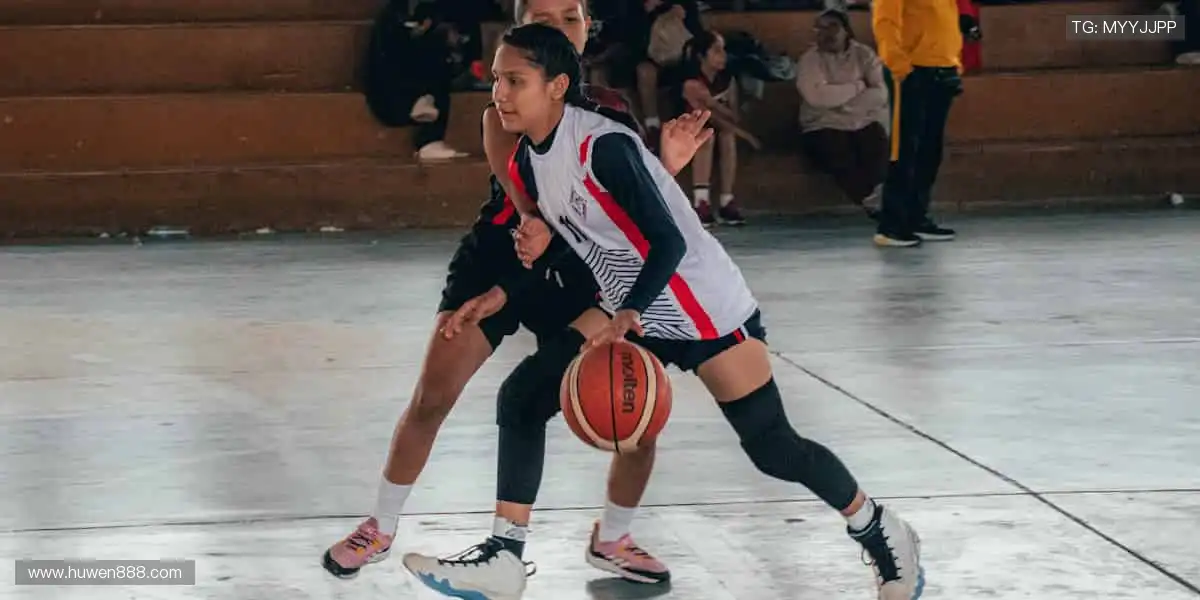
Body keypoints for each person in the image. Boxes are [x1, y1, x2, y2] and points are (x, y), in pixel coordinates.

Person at [411, 22, 926, 600]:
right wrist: (504, 293)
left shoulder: (602, 146)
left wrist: (629, 311)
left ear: (556, 86)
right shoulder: (529, 160)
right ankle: (505, 557)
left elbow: (668, 240)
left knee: (772, 446)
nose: (499, 94)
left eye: (515, 81)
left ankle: (880, 528)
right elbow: (572, 242)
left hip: (702, 306)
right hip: (629, 302)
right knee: (522, 398)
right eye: (496, 80)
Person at [320, 0, 711, 585]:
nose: (559, 27)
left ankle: (612, 537)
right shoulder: (502, 108)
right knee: (432, 396)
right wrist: (535, 221)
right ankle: (379, 526)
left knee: (633, 401)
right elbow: (527, 195)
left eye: (570, 17)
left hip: (578, 268)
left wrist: (667, 166)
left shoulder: (610, 112)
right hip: (502, 256)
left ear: (587, 29)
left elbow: (627, 202)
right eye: (542, 17)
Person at [872, 0, 963, 246]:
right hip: (912, 69)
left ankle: (916, 217)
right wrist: (899, 65)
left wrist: (954, 61)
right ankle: (891, 224)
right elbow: (885, 23)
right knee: (904, 148)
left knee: (930, 149)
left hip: (942, 68)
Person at [797, 9, 889, 220]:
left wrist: (842, 105)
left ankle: (882, 197)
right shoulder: (809, 60)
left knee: (877, 142)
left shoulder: (864, 54)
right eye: (820, 29)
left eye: (832, 27)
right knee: (835, 149)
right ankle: (870, 200)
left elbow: (880, 93)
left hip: (861, 121)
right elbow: (817, 97)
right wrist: (857, 87)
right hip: (822, 123)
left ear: (846, 30)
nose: (826, 33)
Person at [362, 1, 470, 161]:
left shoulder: (434, 16)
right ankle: (416, 104)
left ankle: (430, 137)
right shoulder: (391, 19)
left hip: (424, 97)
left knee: (436, 50)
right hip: (391, 100)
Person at [681, 30, 758, 227]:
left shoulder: (727, 80)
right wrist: (746, 135)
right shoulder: (691, 82)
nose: (723, 56)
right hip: (686, 127)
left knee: (727, 136)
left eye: (723, 50)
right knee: (707, 136)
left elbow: (734, 115)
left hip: (717, 126)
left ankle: (726, 200)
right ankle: (701, 201)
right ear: (701, 56)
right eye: (716, 51)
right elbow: (708, 116)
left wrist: (713, 103)